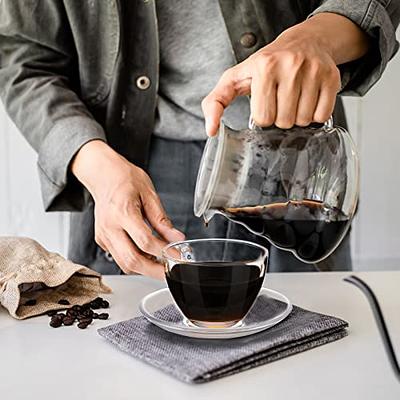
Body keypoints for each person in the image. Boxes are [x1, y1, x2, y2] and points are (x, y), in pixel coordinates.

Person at [0, 1, 399, 277]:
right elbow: (23, 60)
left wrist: (318, 36)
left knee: (307, 357)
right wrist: (94, 165)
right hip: (130, 170)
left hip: (298, 159)